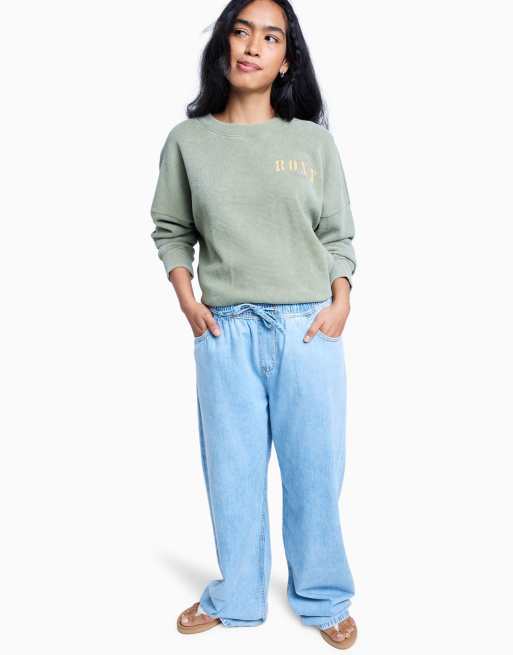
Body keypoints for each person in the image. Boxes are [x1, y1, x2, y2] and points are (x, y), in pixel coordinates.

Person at [150, 0, 358, 649]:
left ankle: (323, 597)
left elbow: (337, 234)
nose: (252, 46)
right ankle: (237, 594)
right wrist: (187, 299)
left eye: (270, 37)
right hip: (225, 331)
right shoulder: (188, 141)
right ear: (224, 44)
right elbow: (171, 229)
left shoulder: (312, 142)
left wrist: (341, 299)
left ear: (286, 59)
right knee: (232, 475)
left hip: (307, 330)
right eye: (241, 32)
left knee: (315, 474)